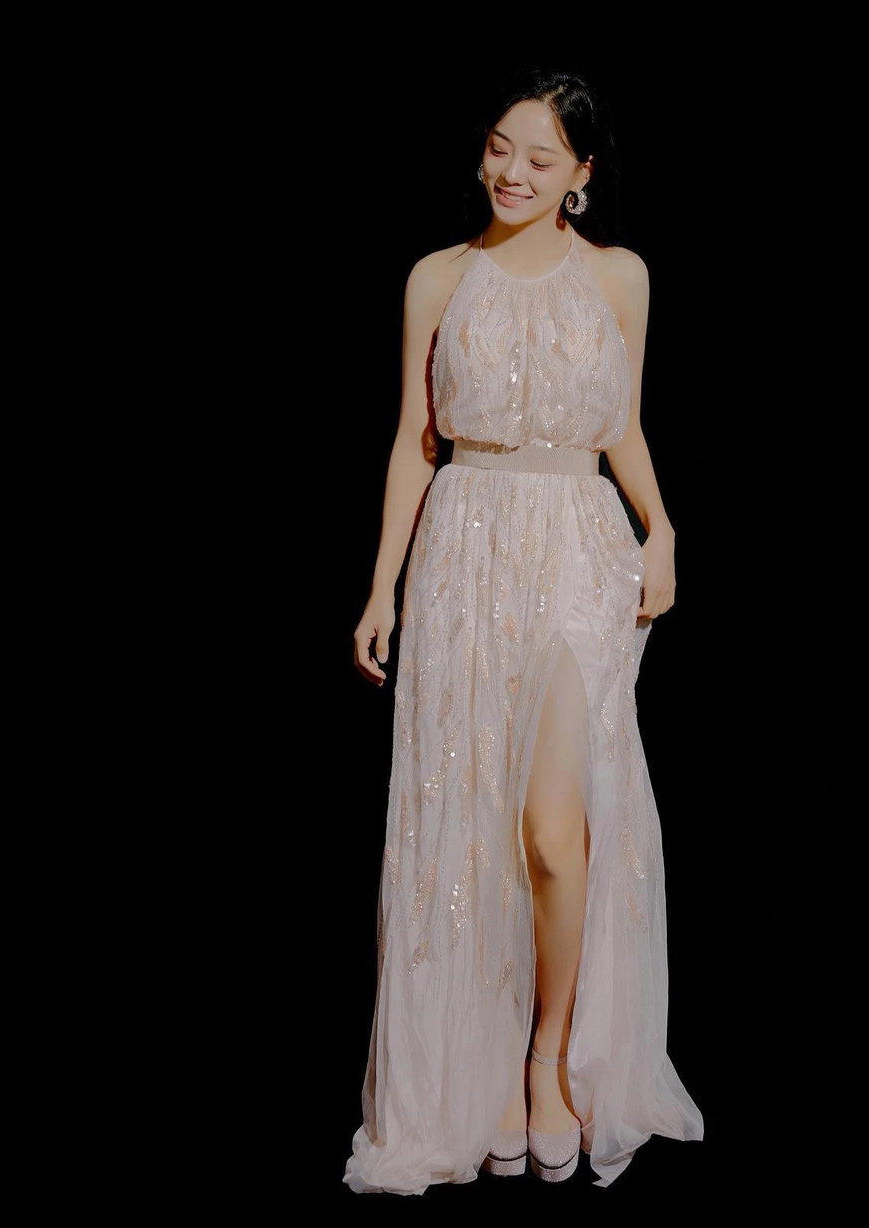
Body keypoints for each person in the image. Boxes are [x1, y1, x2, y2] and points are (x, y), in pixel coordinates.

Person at [344, 66, 703, 1195]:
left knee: (554, 829)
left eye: (541, 157)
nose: (512, 171)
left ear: (581, 174)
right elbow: (416, 439)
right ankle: (489, 1062)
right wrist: (382, 588)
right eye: (502, 147)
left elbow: (620, 423)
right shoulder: (440, 277)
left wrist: (662, 527)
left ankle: (550, 1053)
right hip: (464, 549)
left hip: (577, 551)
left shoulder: (620, 277)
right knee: (470, 823)